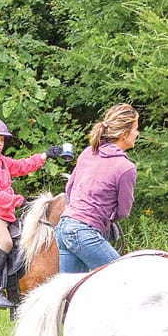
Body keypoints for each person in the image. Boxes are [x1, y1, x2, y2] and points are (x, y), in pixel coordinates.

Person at [0, 116, 64, 308]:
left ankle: (15, 291)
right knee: (5, 242)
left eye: (1, 140)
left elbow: (22, 166)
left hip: (7, 215)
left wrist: (45, 155)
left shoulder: (1, 162)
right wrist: (19, 201)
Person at [55, 104, 139, 273]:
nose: (138, 134)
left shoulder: (88, 152)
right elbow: (123, 211)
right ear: (124, 134)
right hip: (84, 233)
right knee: (125, 276)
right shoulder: (126, 168)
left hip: (64, 227)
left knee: (71, 288)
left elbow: (70, 189)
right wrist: (102, 218)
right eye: (136, 129)